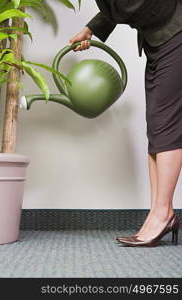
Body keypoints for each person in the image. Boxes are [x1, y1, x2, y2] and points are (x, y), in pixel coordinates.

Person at [68, 0, 182, 247]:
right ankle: (161, 212)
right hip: (159, 39)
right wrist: (91, 28)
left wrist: (100, 23)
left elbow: (129, 7)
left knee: (166, 124)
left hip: (175, 32)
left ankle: (162, 215)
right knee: (156, 125)